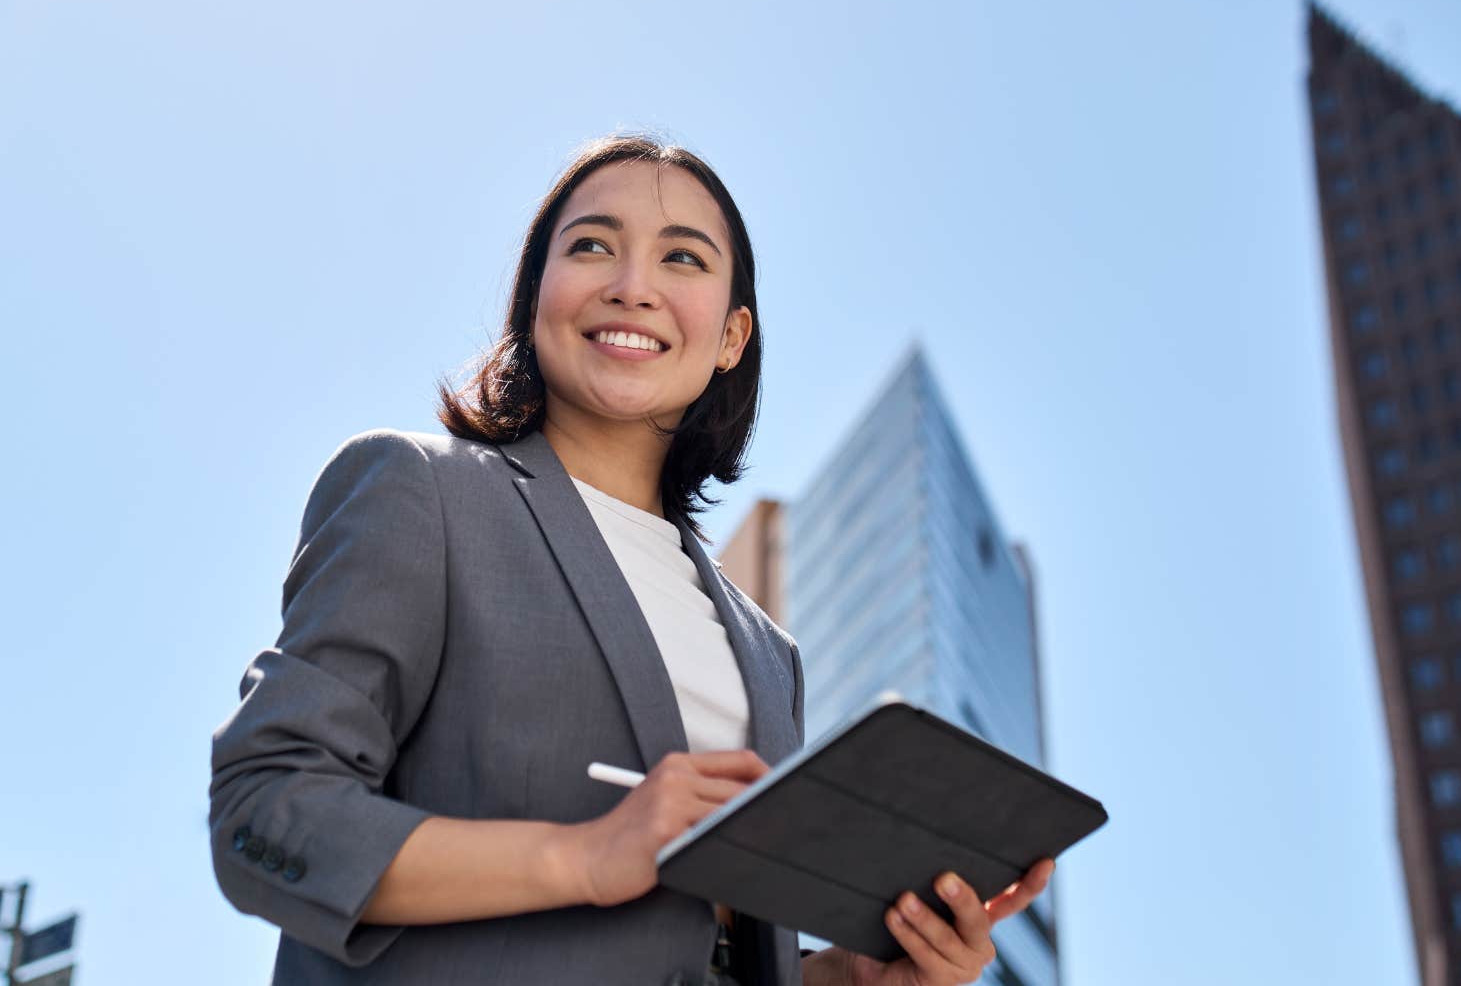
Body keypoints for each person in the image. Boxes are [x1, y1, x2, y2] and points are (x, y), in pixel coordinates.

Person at [207, 134, 1054, 985]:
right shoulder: (420, 490)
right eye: (591, 246)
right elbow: (264, 813)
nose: (632, 286)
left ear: (731, 336)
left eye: (682, 258)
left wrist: (849, 979)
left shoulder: (772, 657)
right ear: (535, 299)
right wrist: (584, 856)